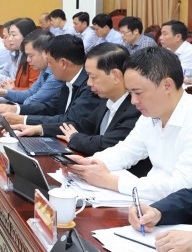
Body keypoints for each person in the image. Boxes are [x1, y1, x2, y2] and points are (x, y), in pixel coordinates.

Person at [67, 46, 192, 202]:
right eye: (130, 93)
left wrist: (110, 181)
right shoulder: (151, 114)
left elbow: (181, 187)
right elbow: (127, 150)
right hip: (148, 202)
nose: (133, 101)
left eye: (138, 92)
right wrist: (90, 163)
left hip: (174, 209)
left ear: (167, 85)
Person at [14, 43, 151, 176]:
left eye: (93, 77)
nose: (89, 83)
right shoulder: (106, 100)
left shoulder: (137, 108)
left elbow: (106, 144)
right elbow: (83, 125)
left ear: (115, 76)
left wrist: (75, 137)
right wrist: (40, 129)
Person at [0, 34, 100, 126]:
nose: (49, 67)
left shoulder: (89, 86)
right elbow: (52, 106)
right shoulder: (68, 80)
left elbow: (69, 120)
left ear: (63, 63)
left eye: (50, 62)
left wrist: (23, 120)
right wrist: (16, 109)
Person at [0, 30, 63, 107]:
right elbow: (30, 93)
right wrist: (3, 92)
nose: (28, 60)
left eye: (30, 56)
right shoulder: (44, 69)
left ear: (46, 53)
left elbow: (33, 101)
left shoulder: (56, 74)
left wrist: (14, 108)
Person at [0, 18, 38, 88]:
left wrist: (10, 87)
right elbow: (6, 73)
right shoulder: (17, 53)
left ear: (26, 36)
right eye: (9, 35)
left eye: (13, 35)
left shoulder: (33, 58)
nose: (10, 39)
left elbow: (30, 90)